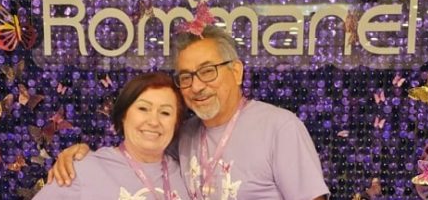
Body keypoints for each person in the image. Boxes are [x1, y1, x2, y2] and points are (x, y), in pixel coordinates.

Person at [51, 25, 330, 200]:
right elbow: (138, 153)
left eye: (208, 71)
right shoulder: (183, 135)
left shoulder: (279, 128)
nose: (197, 86)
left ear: (236, 72)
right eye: (186, 77)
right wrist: (79, 155)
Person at [34, 72, 190, 200]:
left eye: (165, 112)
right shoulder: (83, 171)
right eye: (143, 109)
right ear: (124, 115)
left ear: (176, 122)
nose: (154, 121)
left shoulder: (187, 174)